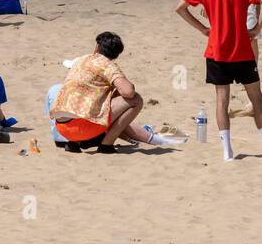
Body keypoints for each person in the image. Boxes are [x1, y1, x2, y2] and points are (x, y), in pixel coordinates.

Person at [174, 0, 262, 161]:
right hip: (242, 49)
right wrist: (256, 28)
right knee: (256, 98)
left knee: (222, 100)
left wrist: (203, 29)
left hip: (217, 50)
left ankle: (226, 151)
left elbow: (180, 8)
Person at [52, 32, 184, 153]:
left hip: (62, 127)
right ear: (116, 55)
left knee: (92, 97)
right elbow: (128, 92)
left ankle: (74, 143)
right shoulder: (108, 65)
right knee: (136, 100)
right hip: (82, 129)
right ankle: (106, 145)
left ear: (97, 47)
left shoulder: (83, 59)